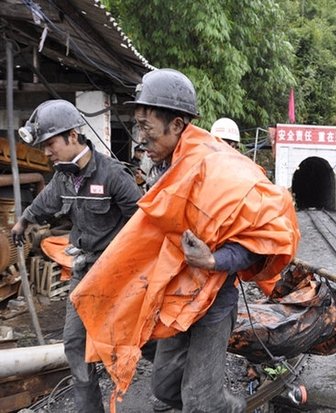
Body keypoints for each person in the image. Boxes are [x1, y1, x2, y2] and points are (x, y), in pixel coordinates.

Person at [70, 68, 300, 413]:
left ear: (176, 125)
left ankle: (229, 407)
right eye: (139, 127)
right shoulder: (166, 165)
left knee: (199, 398)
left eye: (147, 128)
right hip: (177, 297)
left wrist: (213, 261)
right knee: (164, 388)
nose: (141, 139)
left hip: (212, 304)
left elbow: (263, 236)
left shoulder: (219, 168)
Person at [11, 99, 143, 413]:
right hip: (84, 272)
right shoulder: (64, 177)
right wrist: (24, 221)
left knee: (130, 342)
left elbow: (142, 220)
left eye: (51, 143)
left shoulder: (112, 175)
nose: (46, 152)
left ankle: (162, 390)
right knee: (74, 342)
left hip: (116, 273)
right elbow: (45, 200)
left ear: (73, 136)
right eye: (43, 146)